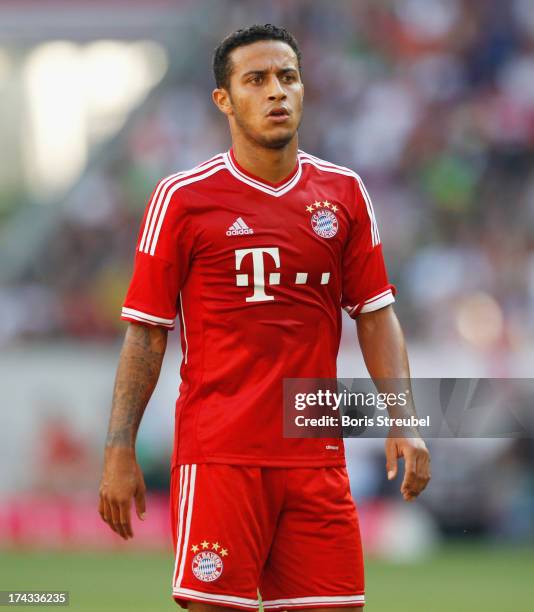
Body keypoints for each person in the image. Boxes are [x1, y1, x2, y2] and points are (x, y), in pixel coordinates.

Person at [98, 23, 431, 611]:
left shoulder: (345, 193)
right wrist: (118, 448)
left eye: (288, 77)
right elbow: (146, 331)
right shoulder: (182, 198)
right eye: (256, 80)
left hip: (315, 455)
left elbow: (376, 316)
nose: (276, 91)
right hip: (222, 455)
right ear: (224, 100)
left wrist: (403, 419)